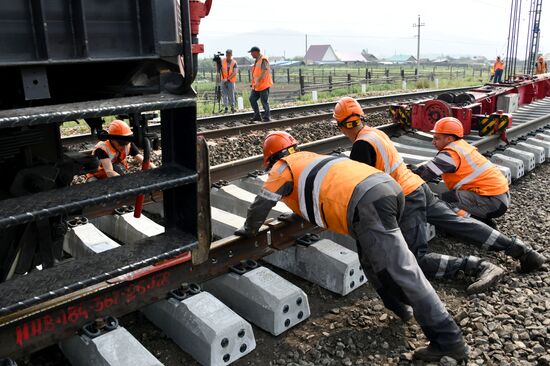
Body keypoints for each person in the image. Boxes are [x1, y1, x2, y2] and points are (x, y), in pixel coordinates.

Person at [235, 131, 469, 362]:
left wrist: (249, 230)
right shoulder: (308, 157)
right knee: (370, 261)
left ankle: (449, 341)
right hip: (385, 188)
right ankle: (401, 307)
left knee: (403, 270)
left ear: (272, 158)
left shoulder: (282, 167)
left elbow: (262, 203)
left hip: (368, 203)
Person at [333, 97, 546, 292]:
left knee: (416, 258)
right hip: (418, 188)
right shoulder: (376, 133)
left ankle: (477, 267)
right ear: (362, 117)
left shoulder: (361, 145)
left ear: (340, 125)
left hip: (406, 198)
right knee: (458, 222)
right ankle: (522, 251)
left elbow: (363, 189)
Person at [86, 120, 155, 181]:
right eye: (121, 143)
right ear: (112, 139)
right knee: (95, 186)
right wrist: (126, 182)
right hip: (97, 176)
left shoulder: (128, 144)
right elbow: (109, 172)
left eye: (126, 143)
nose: (124, 146)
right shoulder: (102, 149)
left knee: (117, 169)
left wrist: (155, 170)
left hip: (115, 171)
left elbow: (143, 160)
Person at [248, 46, 272, 122]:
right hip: (257, 86)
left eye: (251, 53)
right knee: (252, 99)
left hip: (263, 85)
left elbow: (264, 70)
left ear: (256, 52)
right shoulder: (257, 60)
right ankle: (257, 116)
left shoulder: (263, 59)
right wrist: (255, 83)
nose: (251, 54)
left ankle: (267, 117)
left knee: (264, 101)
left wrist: (258, 80)